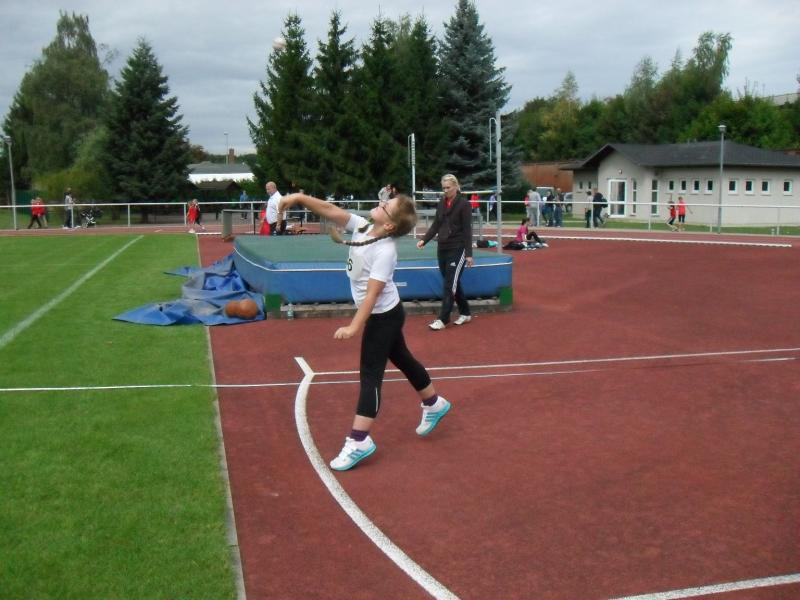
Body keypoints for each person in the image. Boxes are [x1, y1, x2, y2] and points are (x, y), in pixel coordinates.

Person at [277, 191, 451, 471]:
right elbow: (329, 210)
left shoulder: (385, 251)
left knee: (370, 375)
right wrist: (299, 197)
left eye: (386, 206)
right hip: (385, 313)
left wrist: (354, 327)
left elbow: (372, 295)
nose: (380, 203)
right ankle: (433, 403)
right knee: (402, 358)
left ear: (390, 225)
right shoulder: (362, 226)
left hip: (384, 317)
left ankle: (359, 440)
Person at [417, 174, 474, 331]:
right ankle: (465, 312)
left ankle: (443, 318)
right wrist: (424, 240)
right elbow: (436, 224)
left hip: (458, 248)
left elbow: (467, 230)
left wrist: (469, 254)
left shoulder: (464, 204)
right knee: (452, 281)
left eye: (448, 187)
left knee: (450, 284)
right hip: (443, 247)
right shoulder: (442, 202)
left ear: (456, 186)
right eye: (443, 188)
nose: (446, 190)